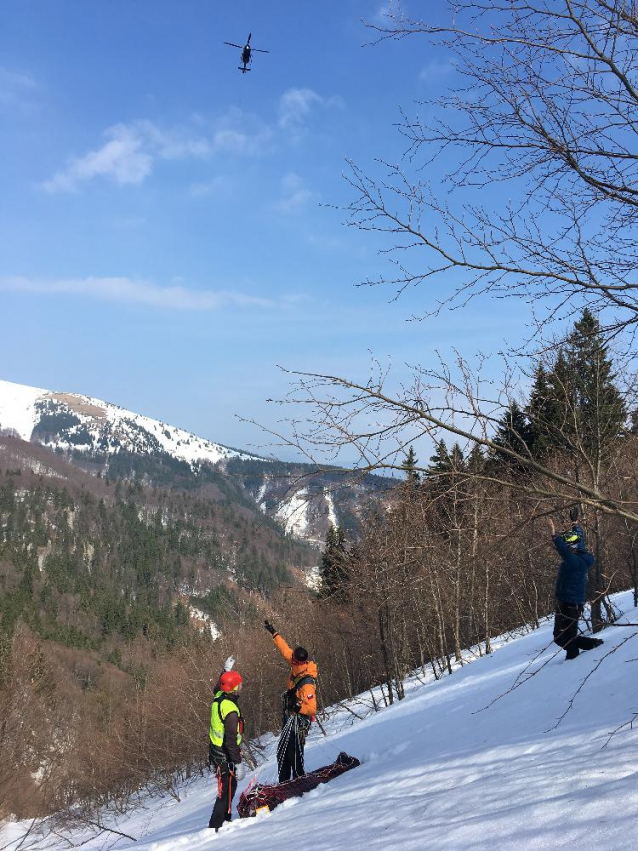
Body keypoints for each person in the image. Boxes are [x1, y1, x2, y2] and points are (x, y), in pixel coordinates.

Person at [264, 620, 317, 782]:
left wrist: (297, 706)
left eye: (293, 659)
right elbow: (284, 649)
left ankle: (299, 777)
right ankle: (284, 781)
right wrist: (274, 633)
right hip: (290, 717)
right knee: (282, 751)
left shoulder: (307, 684)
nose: (290, 659)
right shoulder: (296, 666)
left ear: (299, 662)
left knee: (294, 750)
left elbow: (312, 709)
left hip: (300, 720)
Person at [549, 517, 604, 661]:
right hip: (565, 602)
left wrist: (554, 534)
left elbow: (563, 551)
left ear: (571, 547)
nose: (567, 547)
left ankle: (573, 660)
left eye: (568, 545)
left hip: (570, 604)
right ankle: (592, 644)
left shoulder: (573, 560)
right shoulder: (582, 555)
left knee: (567, 638)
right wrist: (575, 525)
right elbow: (580, 541)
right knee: (560, 637)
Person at [207, 667, 245, 831]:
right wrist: (237, 763)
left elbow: (218, 687)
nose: (241, 686)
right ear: (234, 688)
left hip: (216, 750)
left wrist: (224, 671)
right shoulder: (230, 710)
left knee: (230, 786)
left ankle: (225, 820)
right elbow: (230, 740)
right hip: (225, 754)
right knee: (226, 790)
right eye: (239, 684)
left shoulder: (219, 697)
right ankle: (216, 826)